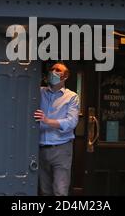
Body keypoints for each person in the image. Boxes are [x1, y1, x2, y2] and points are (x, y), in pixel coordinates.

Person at [34, 62, 79, 196]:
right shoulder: (39, 92)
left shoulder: (71, 97)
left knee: (60, 191)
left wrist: (47, 121)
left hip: (61, 149)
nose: (53, 71)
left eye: (57, 70)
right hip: (40, 149)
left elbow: (71, 122)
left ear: (65, 77)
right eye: (52, 69)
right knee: (44, 191)